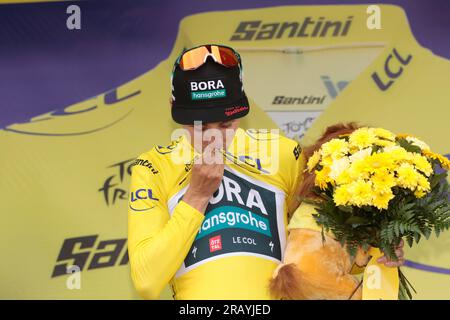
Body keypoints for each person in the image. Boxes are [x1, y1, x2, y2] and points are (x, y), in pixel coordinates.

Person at [127, 44, 404, 300]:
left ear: (240, 112)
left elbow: (319, 250)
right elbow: (147, 281)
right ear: (174, 109)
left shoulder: (283, 153)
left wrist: (378, 249)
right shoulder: (154, 166)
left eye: (225, 125)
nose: (214, 139)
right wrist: (196, 197)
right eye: (199, 126)